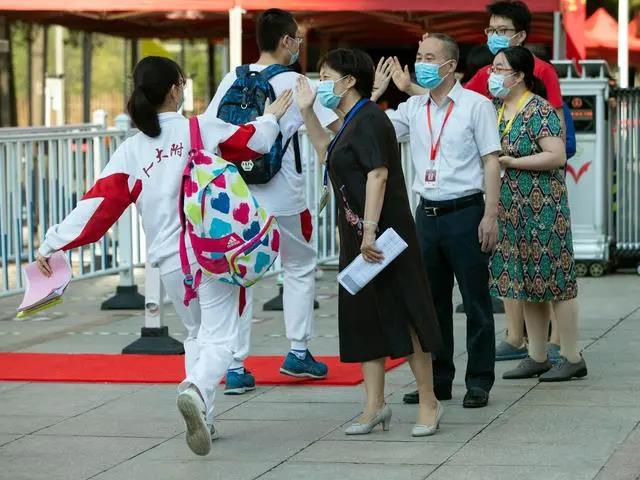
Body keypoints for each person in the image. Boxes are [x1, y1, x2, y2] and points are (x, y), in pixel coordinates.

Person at [35, 56, 292, 456]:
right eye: (182, 83)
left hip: (171, 264)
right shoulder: (200, 128)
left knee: (196, 335)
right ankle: (195, 389)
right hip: (215, 252)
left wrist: (52, 243)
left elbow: (97, 207)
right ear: (175, 89)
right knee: (222, 338)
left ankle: (205, 417)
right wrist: (272, 117)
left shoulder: (132, 150)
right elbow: (251, 142)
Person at [295, 47, 444, 436]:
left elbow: (378, 175)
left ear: (348, 81)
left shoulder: (371, 119)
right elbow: (325, 152)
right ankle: (375, 406)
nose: (320, 84)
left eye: (326, 78)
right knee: (365, 319)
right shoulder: (348, 121)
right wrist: (307, 111)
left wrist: (370, 231)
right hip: (357, 235)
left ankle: (428, 402)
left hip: (383, 236)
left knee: (406, 316)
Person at [204, 9, 339, 393]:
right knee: (299, 266)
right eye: (297, 38)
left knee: (240, 275)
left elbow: (211, 129)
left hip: (239, 197)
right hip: (285, 194)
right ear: (285, 41)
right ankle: (298, 351)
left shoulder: (233, 77)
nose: (299, 44)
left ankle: (234, 365)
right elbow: (333, 126)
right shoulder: (295, 81)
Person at [376, 34, 501, 408]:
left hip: (466, 212)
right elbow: (373, 129)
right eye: (419, 56)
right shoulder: (414, 107)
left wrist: (490, 215)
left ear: (450, 65)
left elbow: (491, 160)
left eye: (430, 57)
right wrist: (376, 93)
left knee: (476, 301)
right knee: (431, 303)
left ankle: (479, 380)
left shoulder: (476, 106)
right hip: (426, 215)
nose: (421, 63)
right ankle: (438, 380)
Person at [465, 0, 569, 363]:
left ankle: (560, 345)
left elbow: (557, 134)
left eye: (502, 30)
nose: (494, 36)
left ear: (521, 35)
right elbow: (459, 103)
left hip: (539, 187)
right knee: (513, 268)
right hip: (506, 191)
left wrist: (525, 159)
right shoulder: (489, 81)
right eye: (491, 30)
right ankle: (518, 339)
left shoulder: (542, 77)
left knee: (548, 268)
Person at [488, 46, 587, 382]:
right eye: (492, 68)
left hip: (543, 208)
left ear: (518, 75)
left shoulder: (539, 109)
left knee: (556, 280)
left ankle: (572, 356)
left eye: (499, 68)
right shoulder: (497, 108)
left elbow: (556, 155)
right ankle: (537, 355)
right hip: (512, 209)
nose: (493, 74)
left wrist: (514, 162)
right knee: (525, 280)